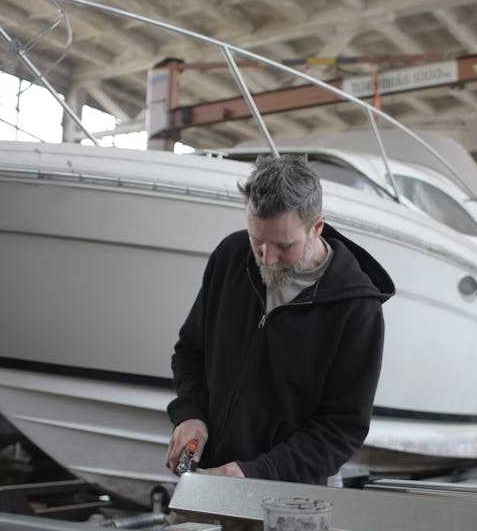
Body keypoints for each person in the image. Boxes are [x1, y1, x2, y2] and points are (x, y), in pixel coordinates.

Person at [164, 155, 394, 484]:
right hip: (206, 480)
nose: (267, 259)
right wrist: (190, 415)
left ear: (317, 227)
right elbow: (190, 353)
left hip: (288, 501)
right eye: (257, 241)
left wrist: (254, 473)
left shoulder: (357, 308)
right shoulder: (230, 256)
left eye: (284, 246)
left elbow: (341, 430)